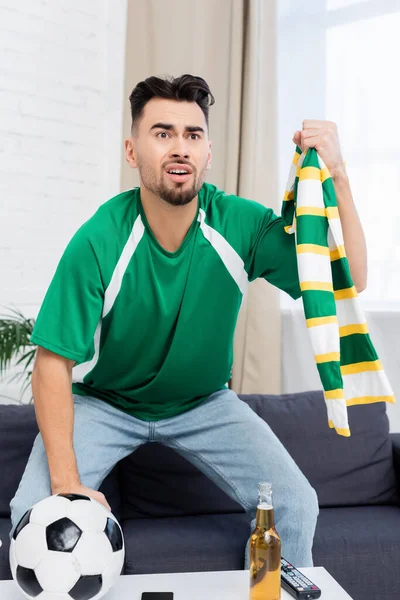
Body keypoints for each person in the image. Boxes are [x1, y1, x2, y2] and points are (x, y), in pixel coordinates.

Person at [9, 73, 319, 569]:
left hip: (205, 403)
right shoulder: (99, 239)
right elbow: (51, 363)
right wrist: (66, 487)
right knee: (32, 511)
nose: (180, 148)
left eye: (192, 135)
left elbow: (352, 280)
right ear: (132, 152)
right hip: (107, 404)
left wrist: (339, 174)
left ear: (208, 153)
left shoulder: (240, 225)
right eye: (162, 133)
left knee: (297, 505)